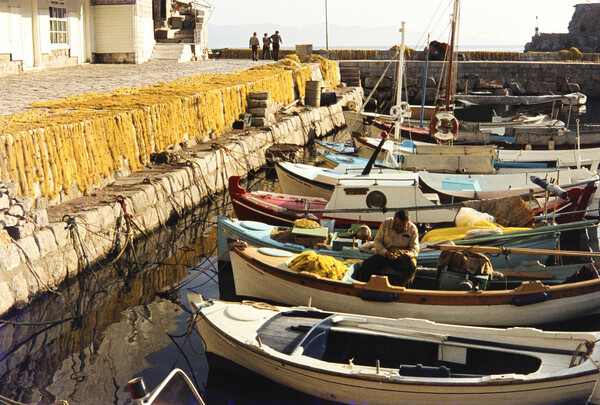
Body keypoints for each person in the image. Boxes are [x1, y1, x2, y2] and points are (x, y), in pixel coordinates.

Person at [357, 210, 419, 286]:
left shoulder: (413, 229)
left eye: (403, 226)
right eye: (397, 226)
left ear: (407, 223)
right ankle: (369, 285)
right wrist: (386, 253)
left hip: (402, 258)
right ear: (394, 220)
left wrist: (409, 254)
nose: (399, 228)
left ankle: (398, 288)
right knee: (367, 264)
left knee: (411, 267)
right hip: (385, 254)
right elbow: (377, 241)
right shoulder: (386, 223)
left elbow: (415, 249)